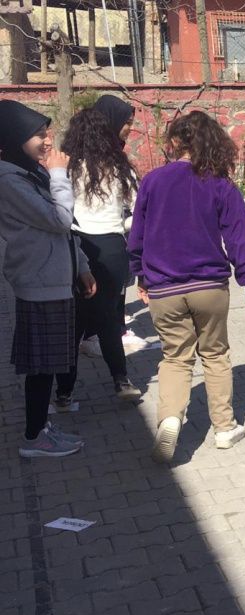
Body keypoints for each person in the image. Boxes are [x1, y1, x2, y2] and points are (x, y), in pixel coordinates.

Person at [129, 110, 245, 463]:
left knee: (175, 357)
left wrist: (139, 274)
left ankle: (170, 417)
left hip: (163, 287)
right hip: (209, 285)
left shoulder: (152, 181)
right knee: (216, 354)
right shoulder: (219, 183)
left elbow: (138, 233)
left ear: (175, 142)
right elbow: (240, 236)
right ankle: (224, 428)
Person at [0, 100, 95, 458]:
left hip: (56, 276)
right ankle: (33, 438)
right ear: (14, 137)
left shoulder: (27, 171)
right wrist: (59, 174)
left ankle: (40, 427)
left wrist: (81, 265)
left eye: (46, 132)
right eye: (38, 134)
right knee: (41, 366)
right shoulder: (9, 180)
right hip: (38, 282)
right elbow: (58, 219)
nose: (47, 140)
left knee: (51, 361)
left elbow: (64, 231)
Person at [56, 108, 142, 405]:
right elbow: (138, 212)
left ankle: (64, 392)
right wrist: (121, 226)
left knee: (75, 322)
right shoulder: (121, 168)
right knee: (107, 316)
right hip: (112, 248)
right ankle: (121, 380)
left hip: (77, 245)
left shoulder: (67, 168)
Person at [90, 94, 147, 352]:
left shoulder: (114, 154)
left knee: (119, 285)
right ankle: (101, 333)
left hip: (119, 231)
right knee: (107, 287)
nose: (130, 128)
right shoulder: (94, 158)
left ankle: (115, 327)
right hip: (103, 233)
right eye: (127, 122)